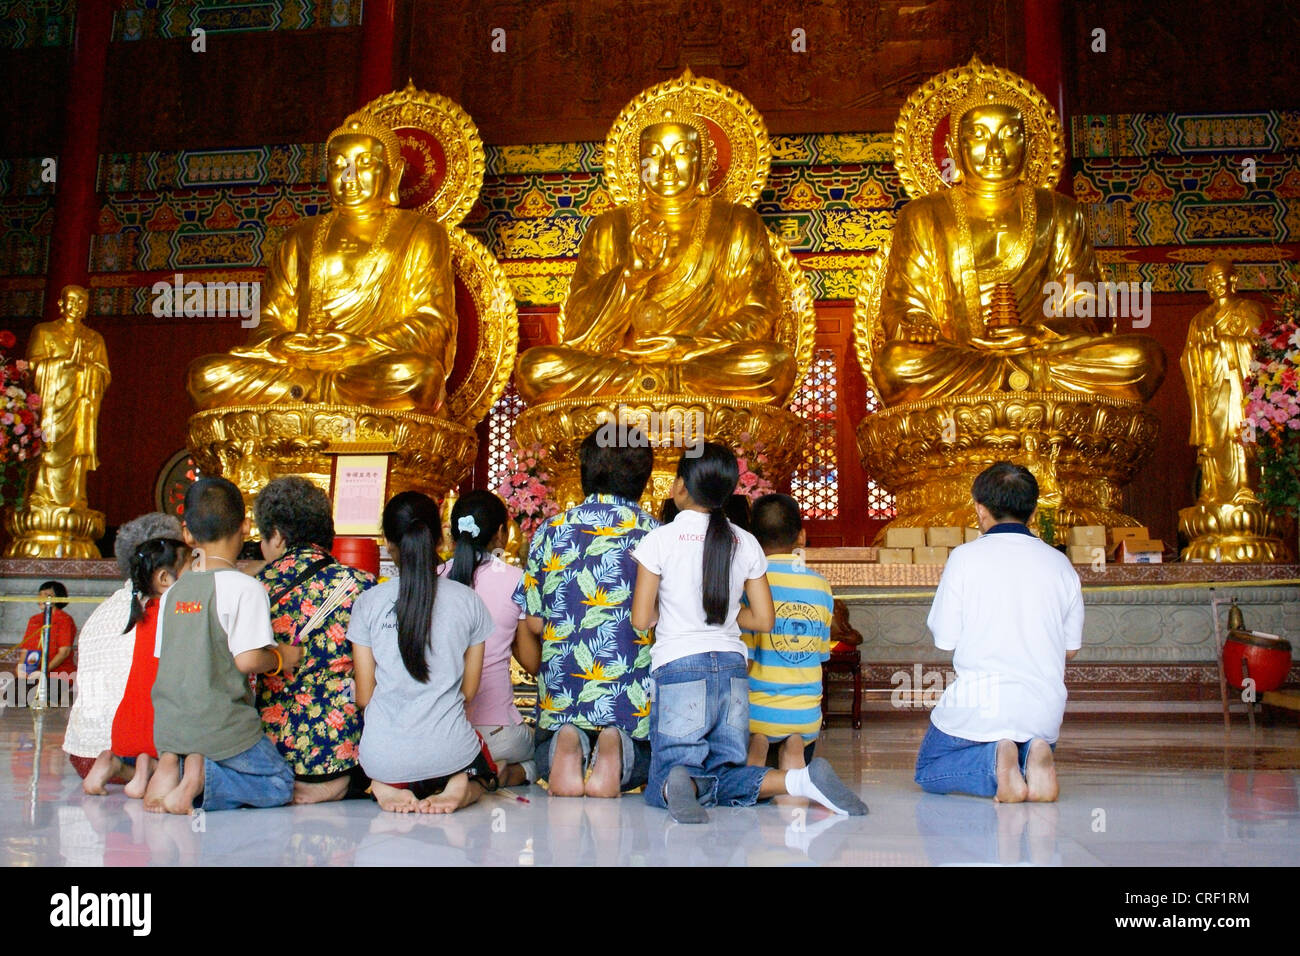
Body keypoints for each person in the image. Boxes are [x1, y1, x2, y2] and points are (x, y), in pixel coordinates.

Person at [630, 443, 868, 823]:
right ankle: (800, 781)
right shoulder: (746, 542)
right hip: (732, 671)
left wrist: (676, 607)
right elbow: (764, 620)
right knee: (726, 772)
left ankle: (679, 779)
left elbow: (641, 619)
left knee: (667, 773)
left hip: (679, 667)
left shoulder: (658, 540)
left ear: (678, 487)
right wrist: (725, 611)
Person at [914, 462, 1083, 803]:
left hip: (979, 705)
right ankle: (1032, 757)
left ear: (979, 507)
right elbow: (1070, 650)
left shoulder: (964, 558)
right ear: (1034, 509)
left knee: (929, 769)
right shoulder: (1059, 563)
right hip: (1043, 711)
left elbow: (945, 638)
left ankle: (996, 764)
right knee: (1028, 731)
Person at [513, 427, 658, 797]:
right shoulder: (656, 535)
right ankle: (617, 747)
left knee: (544, 748)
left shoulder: (550, 531)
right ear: (645, 479)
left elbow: (533, 621)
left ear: (583, 473)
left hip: (563, 695)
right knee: (652, 757)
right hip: (633, 702)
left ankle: (568, 738)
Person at [144, 477, 303, 814]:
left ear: (187, 533)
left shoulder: (173, 593)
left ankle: (173, 765)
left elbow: (167, 659)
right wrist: (283, 657)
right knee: (279, 783)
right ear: (246, 526)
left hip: (170, 727)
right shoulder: (245, 588)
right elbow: (247, 660)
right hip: (220, 726)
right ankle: (201, 778)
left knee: (194, 746)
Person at [348, 492, 496, 813]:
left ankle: (383, 784)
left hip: (382, 757)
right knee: (484, 765)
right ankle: (461, 785)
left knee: (381, 758)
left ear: (387, 543)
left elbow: (364, 696)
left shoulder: (368, 604)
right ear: (440, 539)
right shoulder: (469, 601)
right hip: (449, 754)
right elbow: (469, 692)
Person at [253, 476, 375, 804]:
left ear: (276, 536)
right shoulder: (363, 586)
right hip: (342, 757)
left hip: (265, 758)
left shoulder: (253, 590)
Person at [63, 512, 182, 779]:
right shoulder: (166, 607)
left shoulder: (103, 611)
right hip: (134, 750)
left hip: (84, 755)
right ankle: (143, 770)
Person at [441, 490, 535, 786]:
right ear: (501, 534)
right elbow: (532, 663)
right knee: (542, 750)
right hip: (497, 733)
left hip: (439, 730)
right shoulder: (515, 580)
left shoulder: (433, 577)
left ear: (451, 533)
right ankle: (503, 772)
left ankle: (474, 771)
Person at [83, 537, 188, 797]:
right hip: (157, 730)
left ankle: (113, 762)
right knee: (189, 772)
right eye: (191, 565)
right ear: (165, 579)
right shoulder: (179, 609)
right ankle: (145, 769)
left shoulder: (143, 609)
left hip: (124, 731)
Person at [742, 493, 834, 770]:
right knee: (796, 736)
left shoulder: (749, 584)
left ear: (753, 539)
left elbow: (743, 660)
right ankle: (794, 748)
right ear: (801, 537)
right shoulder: (821, 587)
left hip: (756, 711)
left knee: (756, 736)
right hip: (806, 711)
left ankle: (758, 748)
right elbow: (820, 655)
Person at [14, 581, 76, 689]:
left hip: (58, 674)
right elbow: (26, 650)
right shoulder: (34, 620)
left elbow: (64, 652)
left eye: (47, 595)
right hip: (33, 673)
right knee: (14, 696)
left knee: (44, 697)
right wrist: (21, 669)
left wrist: (43, 671)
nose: (41, 598)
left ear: (58, 598)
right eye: (40, 595)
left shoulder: (64, 620)